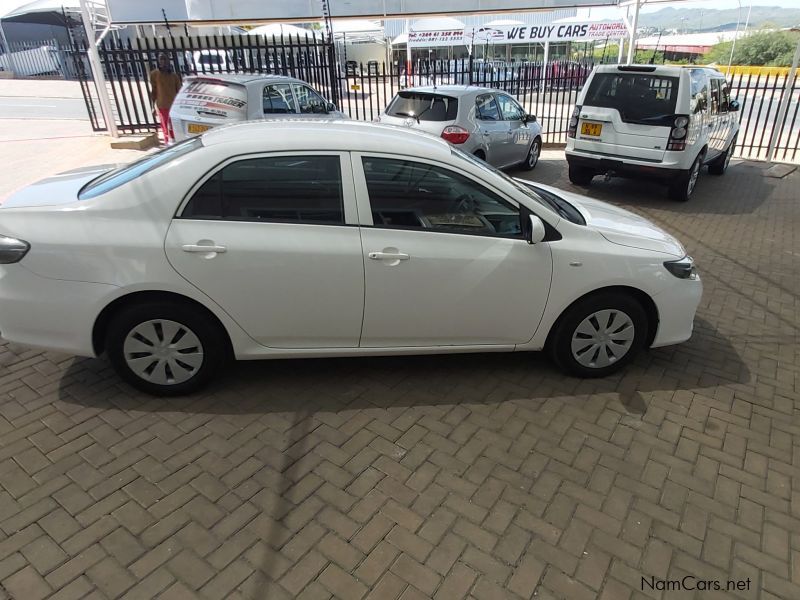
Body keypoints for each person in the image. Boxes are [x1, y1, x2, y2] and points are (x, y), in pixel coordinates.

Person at [149, 53, 182, 145]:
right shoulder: (154, 74)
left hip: (173, 105)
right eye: (161, 60)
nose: (163, 62)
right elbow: (154, 91)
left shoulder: (174, 76)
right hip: (162, 105)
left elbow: (179, 91)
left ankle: (175, 141)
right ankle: (167, 143)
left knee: (174, 126)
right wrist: (153, 106)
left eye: (164, 60)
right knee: (165, 126)